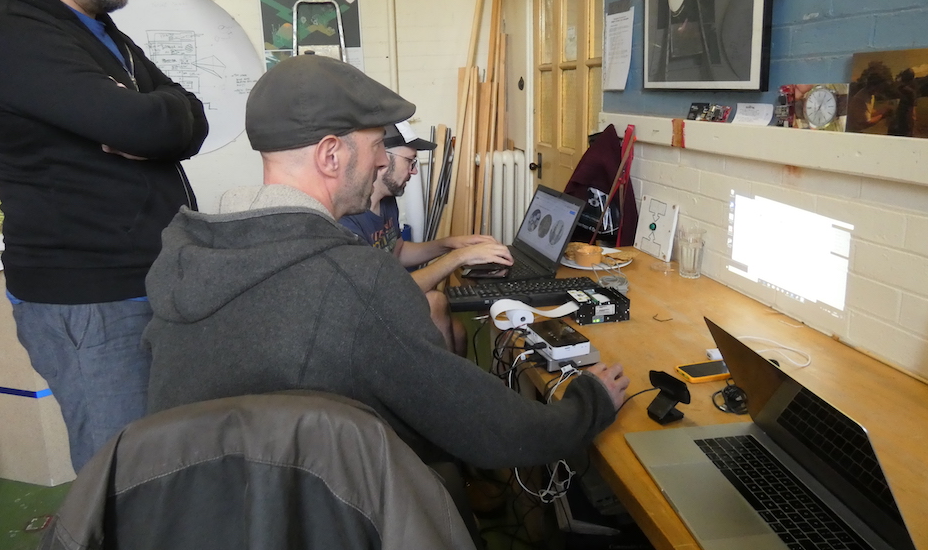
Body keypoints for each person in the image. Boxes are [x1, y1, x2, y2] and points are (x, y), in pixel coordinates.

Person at [142, 54, 629, 500]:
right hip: (327, 528)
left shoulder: (193, 261)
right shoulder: (353, 280)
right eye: (377, 146)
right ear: (331, 155)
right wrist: (589, 403)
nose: (382, 161)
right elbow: (487, 427)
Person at [0, 0, 209, 471]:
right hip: (90, 299)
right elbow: (147, 126)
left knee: (166, 465)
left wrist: (156, 124)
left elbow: (190, 116)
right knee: (123, 477)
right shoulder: (6, 33)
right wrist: (151, 125)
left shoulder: (94, 30)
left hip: (141, 282)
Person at [339, 120, 512, 354]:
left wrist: (448, 244)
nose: (414, 171)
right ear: (383, 158)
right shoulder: (348, 218)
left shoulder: (387, 201)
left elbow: (398, 251)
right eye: (410, 161)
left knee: (459, 332)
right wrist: (459, 257)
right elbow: (386, 291)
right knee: (435, 302)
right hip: (366, 317)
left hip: (384, 298)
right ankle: (442, 388)